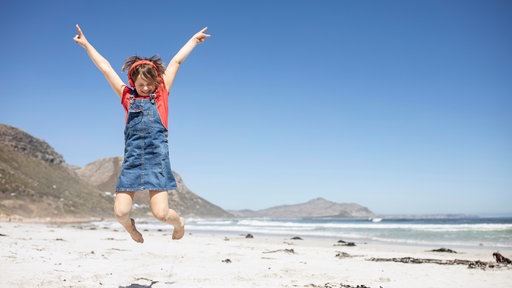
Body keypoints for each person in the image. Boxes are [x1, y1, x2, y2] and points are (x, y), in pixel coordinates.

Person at [73, 24, 210, 243]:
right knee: (120, 213)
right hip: (133, 162)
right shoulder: (127, 97)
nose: (145, 88)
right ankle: (131, 228)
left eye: (149, 84)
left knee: (161, 214)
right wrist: (87, 45)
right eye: (140, 84)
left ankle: (179, 223)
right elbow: (106, 68)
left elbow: (176, 61)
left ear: (156, 82)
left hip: (157, 162)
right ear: (132, 83)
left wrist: (193, 40)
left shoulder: (162, 95)